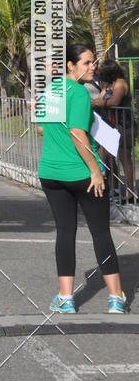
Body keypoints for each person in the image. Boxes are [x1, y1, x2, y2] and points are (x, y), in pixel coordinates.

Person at [37, 44, 127, 314]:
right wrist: (95, 170)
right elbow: (77, 134)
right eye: (87, 63)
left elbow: (42, 128)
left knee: (65, 232)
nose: (93, 67)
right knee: (100, 232)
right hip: (81, 174)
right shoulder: (77, 92)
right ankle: (115, 298)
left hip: (51, 173)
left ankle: (66, 298)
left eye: (93, 62)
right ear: (69, 65)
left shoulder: (50, 90)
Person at [94, 59, 136, 205]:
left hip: (125, 125)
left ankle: (130, 194)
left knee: (125, 158)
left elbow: (114, 101)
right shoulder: (109, 85)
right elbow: (98, 100)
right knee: (105, 156)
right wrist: (98, 102)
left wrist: (99, 102)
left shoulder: (120, 83)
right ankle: (115, 188)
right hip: (111, 125)